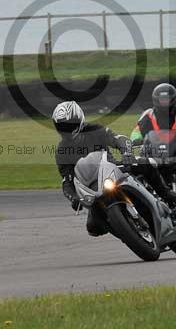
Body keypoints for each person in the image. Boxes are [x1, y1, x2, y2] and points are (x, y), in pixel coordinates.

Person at [52, 100, 130, 236]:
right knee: (93, 227)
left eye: (69, 125)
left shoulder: (95, 130)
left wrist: (127, 154)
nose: (67, 130)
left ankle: (168, 194)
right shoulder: (62, 151)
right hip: (95, 191)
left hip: (114, 171)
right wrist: (74, 198)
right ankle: (127, 234)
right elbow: (67, 181)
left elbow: (117, 139)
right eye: (62, 126)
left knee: (145, 166)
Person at [130, 83, 176, 215]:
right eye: (161, 99)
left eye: (167, 99)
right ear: (156, 99)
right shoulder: (149, 114)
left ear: (173, 99)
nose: (164, 102)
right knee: (136, 171)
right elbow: (137, 130)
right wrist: (136, 139)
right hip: (153, 153)